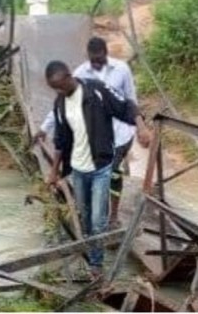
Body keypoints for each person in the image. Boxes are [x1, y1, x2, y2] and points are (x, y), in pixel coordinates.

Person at [44, 60, 150, 279]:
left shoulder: (96, 90)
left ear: (68, 76)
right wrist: (54, 171)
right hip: (78, 169)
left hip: (101, 166)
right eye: (55, 88)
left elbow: (126, 106)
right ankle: (92, 251)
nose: (59, 91)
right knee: (85, 216)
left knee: (98, 220)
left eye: (61, 85)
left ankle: (96, 265)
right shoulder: (60, 103)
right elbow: (60, 140)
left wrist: (141, 128)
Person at [36, 37, 138, 228]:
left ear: (106, 53)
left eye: (100, 59)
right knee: (98, 177)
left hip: (120, 133)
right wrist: (44, 127)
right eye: (93, 59)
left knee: (114, 174)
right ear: (88, 56)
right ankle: (95, 221)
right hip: (95, 135)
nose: (97, 63)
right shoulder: (80, 73)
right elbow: (62, 104)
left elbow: (130, 99)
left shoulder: (122, 69)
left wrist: (139, 126)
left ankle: (112, 217)